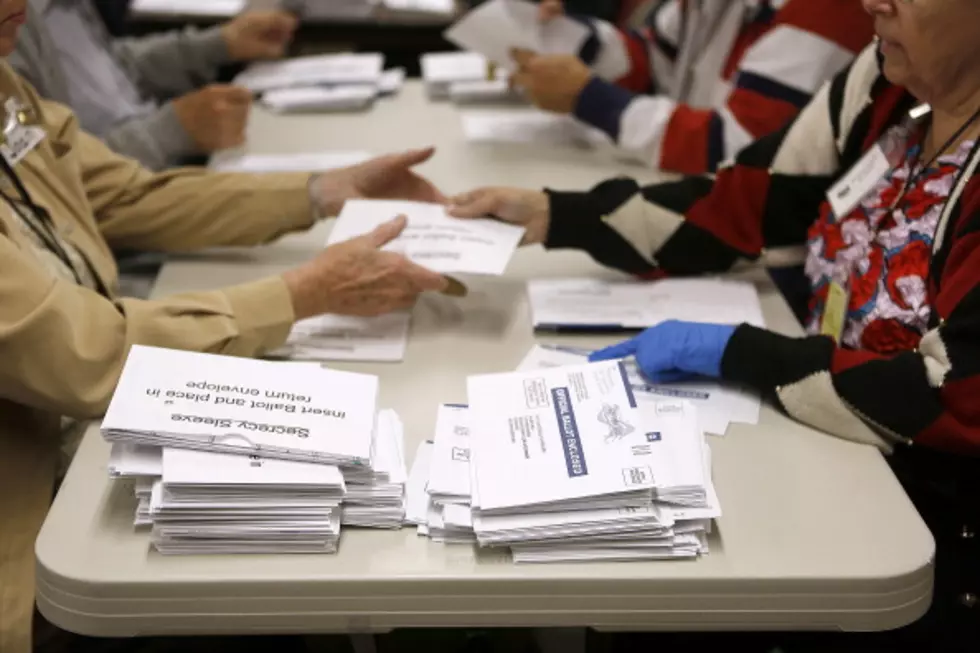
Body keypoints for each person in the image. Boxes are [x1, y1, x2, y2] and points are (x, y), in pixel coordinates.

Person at [451, 0, 980, 649]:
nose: (873, 1)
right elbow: (746, 203)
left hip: (919, 525)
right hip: (823, 443)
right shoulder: (884, 81)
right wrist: (558, 215)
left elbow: (957, 398)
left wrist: (746, 354)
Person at [0, 1, 450, 650]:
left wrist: (323, 191)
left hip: (86, 436)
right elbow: (81, 353)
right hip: (40, 516)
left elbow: (128, 196)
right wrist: (298, 293)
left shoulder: (8, 86)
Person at [513, 0, 873, 175]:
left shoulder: (825, 8)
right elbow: (653, 58)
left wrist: (589, 98)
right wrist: (575, 40)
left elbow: (740, 149)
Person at [8, 0, 298, 170]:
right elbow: (49, 174)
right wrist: (170, 132)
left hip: (150, 172)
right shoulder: (11, 24)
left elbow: (112, 71)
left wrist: (218, 45)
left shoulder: (63, 7)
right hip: (116, 211)